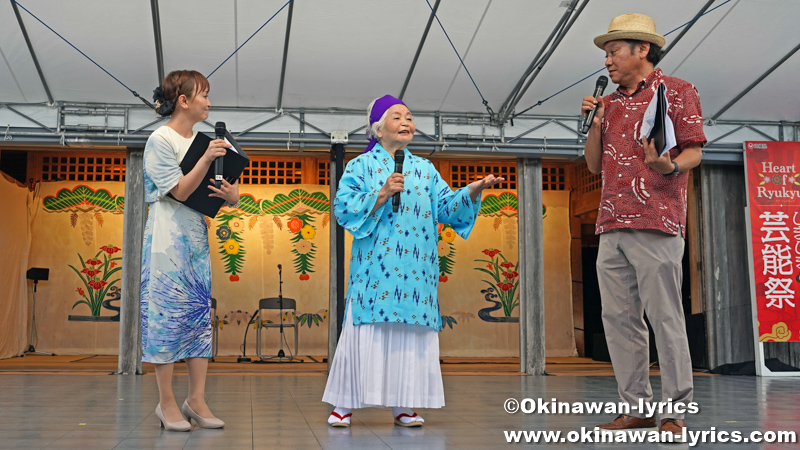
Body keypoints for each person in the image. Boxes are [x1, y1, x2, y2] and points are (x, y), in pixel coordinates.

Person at [322, 95, 503, 427]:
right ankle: (344, 404)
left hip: (417, 275)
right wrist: (381, 194)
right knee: (365, 335)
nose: (406, 122)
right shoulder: (360, 166)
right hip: (374, 273)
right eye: (397, 117)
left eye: (409, 116)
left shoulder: (425, 169)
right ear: (378, 129)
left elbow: (447, 209)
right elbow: (343, 208)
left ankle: (404, 406)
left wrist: (473, 190)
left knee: (410, 339)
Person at [581, 14, 706, 441]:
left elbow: (694, 151)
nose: (608, 60)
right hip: (610, 221)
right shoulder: (609, 103)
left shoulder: (678, 90)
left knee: (664, 317)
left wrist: (670, 166)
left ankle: (675, 412)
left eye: (614, 51)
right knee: (618, 320)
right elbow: (593, 165)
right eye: (606, 53)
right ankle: (635, 408)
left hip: (656, 221)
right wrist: (596, 123)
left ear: (642, 49)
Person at [142, 70, 239, 431]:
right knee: (165, 318)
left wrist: (231, 195)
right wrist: (207, 158)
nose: (209, 102)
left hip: (196, 237)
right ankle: (166, 402)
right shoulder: (160, 139)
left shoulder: (204, 142)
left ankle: (196, 400)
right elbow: (179, 191)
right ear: (183, 100)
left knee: (198, 318)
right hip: (166, 240)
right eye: (204, 95)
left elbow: (221, 192)